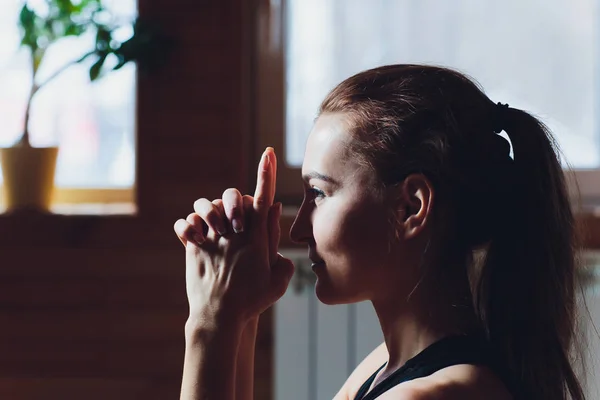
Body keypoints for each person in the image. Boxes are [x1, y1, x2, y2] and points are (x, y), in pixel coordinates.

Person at [173, 64, 587, 400]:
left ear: (411, 206)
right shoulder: (386, 368)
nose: (298, 230)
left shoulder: (436, 394)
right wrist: (240, 317)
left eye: (318, 193)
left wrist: (210, 325)